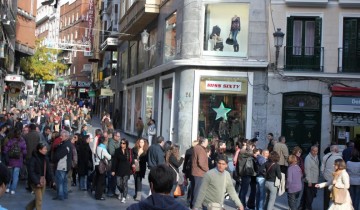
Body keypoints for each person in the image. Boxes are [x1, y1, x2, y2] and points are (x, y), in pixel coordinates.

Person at [25, 143, 54, 210]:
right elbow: (31, 172)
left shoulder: (45, 158)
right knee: (39, 199)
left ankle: (29, 207)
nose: (46, 150)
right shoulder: (33, 159)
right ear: (40, 150)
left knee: (39, 198)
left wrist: (52, 180)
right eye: (44, 149)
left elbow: (49, 170)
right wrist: (36, 182)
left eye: (46, 149)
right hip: (35, 181)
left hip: (43, 180)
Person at [3, 129, 27, 194]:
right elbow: (25, 152)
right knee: (16, 175)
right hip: (19, 161)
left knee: (9, 175)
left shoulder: (10, 141)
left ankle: (7, 188)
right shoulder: (22, 142)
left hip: (10, 161)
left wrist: (6, 157)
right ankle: (13, 190)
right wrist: (23, 158)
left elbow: (5, 150)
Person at [111, 138, 134, 203]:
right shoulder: (117, 150)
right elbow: (114, 161)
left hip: (127, 169)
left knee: (125, 183)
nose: (122, 144)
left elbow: (132, 159)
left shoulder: (129, 150)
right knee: (118, 183)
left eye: (123, 143)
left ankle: (124, 197)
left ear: (126, 144)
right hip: (119, 169)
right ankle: (122, 192)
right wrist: (113, 170)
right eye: (121, 143)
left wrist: (133, 164)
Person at [321, 145, 343, 210]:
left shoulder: (325, 157)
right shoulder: (340, 158)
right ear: (336, 150)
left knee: (326, 196)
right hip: (336, 179)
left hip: (327, 178)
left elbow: (322, 168)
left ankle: (325, 208)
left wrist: (324, 174)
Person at [52, 130, 73, 200]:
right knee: (64, 181)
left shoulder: (66, 145)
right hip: (65, 165)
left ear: (66, 137)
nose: (61, 137)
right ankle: (64, 194)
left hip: (62, 165)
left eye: (62, 136)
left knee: (60, 181)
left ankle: (60, 195)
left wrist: (54, 158)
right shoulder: (66, 144)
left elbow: (60, 155)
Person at [299, 145, 319, 210]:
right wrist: (309, 181)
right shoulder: (308, 158)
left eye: (316, 151)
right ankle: (308, 208)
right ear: (311, 150)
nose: (315, 152)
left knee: (307, 195)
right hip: (310, 180)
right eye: (314, 151)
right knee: (309, 196)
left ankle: (302, 207)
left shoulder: (316, 157)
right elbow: (307, 170)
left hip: (314, 179)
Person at [191, 137, 209, 208]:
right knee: (198, 191)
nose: (207, 143)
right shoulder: (200, 149)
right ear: (203, 142)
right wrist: (207, 169)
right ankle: (195, 206)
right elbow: (201, 162)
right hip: (199, 173)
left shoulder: (196, 148)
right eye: (207, 142)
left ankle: (194, 205)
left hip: (196, 172)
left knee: (195, 190)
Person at [94, 135, 111, 200]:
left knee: (98, 180)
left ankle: (96, 195)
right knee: (101, 182)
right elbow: (109, 157)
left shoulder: (98, 147)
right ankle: (99, 196)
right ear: (104, 141)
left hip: (96, 165)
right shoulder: (103, 149)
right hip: (101, 166)